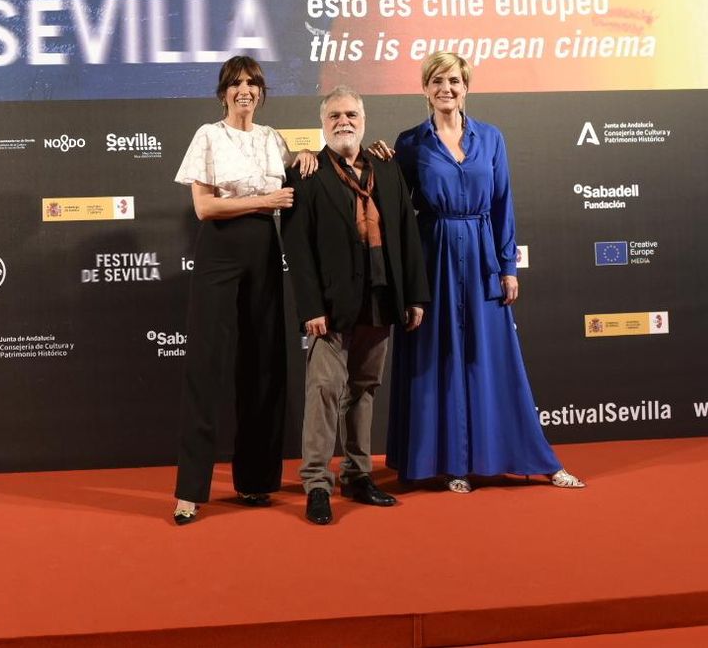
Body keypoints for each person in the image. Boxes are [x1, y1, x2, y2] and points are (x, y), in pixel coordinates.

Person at [381, 52, 583, 493]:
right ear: (425, 89)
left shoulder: (491, 139)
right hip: (433, 258)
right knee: (440, 359)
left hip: (482, 258)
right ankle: (452, 463)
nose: (445, 89)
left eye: (453, 80)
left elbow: (502, 204)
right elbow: (395, 209)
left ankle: (535, 459)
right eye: (436, 81)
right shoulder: (411, 143)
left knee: (494, 360)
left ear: (466, 86)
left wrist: (507, 267)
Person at [170, 55, 315, 525]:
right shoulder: (208, 136)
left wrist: (311, 157)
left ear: (262, 92)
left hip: (264, 253)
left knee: (264, 365)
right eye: (236, 84)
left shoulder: (274, 139)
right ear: (224, 92)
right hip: (219, 253)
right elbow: (205, 207)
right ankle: (190, 491)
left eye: (252, 83)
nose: (245, 90)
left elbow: (301, 178)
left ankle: (255, 482)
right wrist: (264, 201)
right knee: (206, 367)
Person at [283, 86, 428, 525]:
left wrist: (415, 295)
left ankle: (358, 473)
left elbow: (406, 233)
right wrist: (310, 306)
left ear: (363, 119)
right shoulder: (307, 172)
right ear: (323, 123)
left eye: (351, 114)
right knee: (324, 390)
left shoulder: (386, 167)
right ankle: (316, 484)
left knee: (364, 389)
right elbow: (298, 248)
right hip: (330, 305)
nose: (343, 122)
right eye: (334, 116)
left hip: (381, 297)